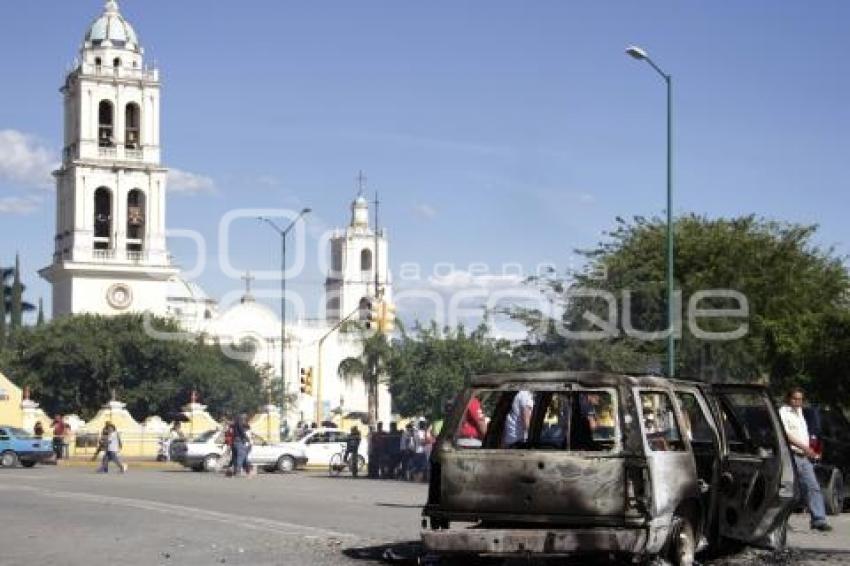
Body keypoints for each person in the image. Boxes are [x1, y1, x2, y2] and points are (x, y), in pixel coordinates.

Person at [779, 387, 831, 531]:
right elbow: (786, 435)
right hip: (791, 456)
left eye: (800, 399)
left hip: (804, 457)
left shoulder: (800, 412)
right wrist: (804, 447)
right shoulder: (783, 412)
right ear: (788, 399)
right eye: (795, 399)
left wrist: (810, 450)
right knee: (788, 490)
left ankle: (818, 520)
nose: (798, 402)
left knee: (813, 487)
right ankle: (780, 521)